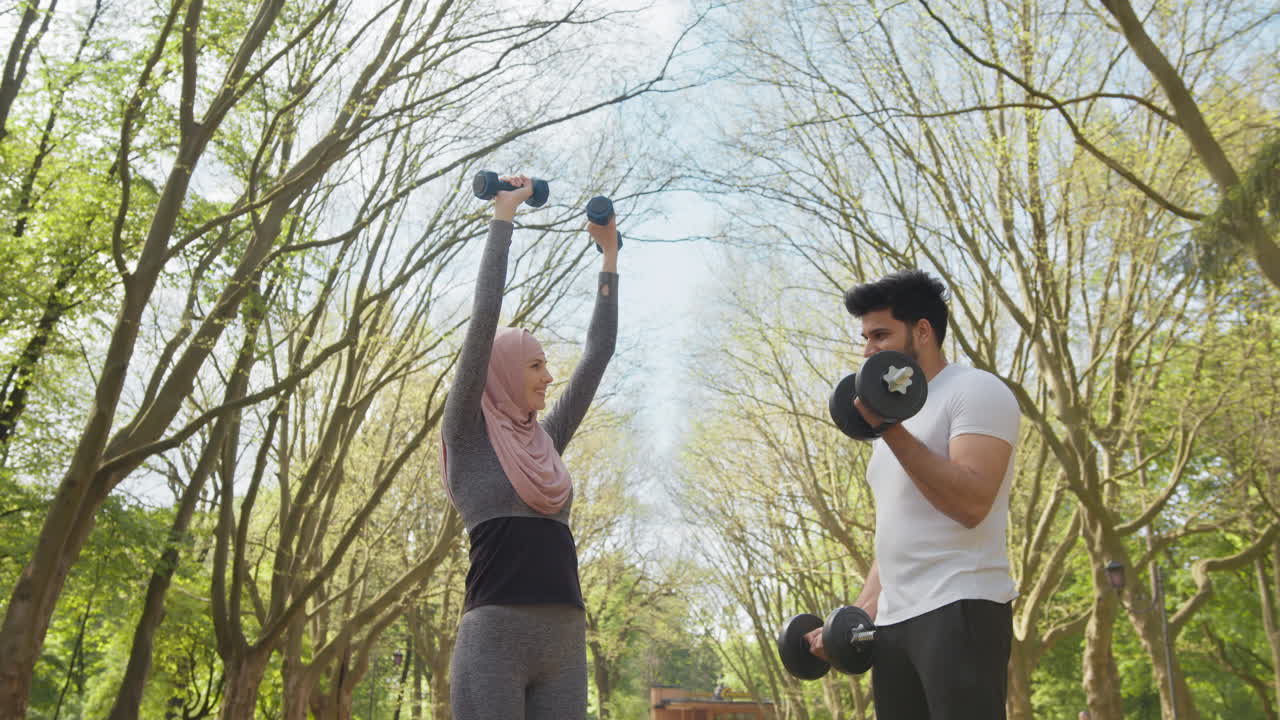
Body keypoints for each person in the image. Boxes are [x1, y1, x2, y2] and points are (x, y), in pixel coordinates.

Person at [805, 269, 1021, 719]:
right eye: (865, 337)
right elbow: (898, 539)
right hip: (895, 622)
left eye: (881, 335)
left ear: (922, 331)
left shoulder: (975, 390)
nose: (867, 352)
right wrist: (856, 615)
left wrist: (888, 429)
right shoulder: (896, 429)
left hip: (961, 605)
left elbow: (972, 503)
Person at [442, 175, 619, 720]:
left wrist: (608, 258)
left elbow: (598, 355)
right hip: (495, 635)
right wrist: (504, 216)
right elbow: (484, 321)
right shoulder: (468, 436)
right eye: (536, 365)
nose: (549, 376)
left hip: (565, 636)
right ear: (503, 372)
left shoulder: (545, 441)